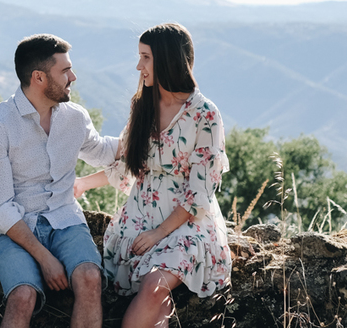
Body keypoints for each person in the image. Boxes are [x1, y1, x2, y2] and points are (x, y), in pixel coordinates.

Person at [74, 23, 231, 328]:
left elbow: (200, 192)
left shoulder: (205, 114)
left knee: (153, 287)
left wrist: (159, 234)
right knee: (157, 301)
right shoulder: (143, 106)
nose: (138, 66)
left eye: (145, 57)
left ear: (167, 59)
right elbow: (130, 165)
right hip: (138, 218)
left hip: (186, 223)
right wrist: (82, 184)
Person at [0, 33, 121, 328]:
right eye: (65, 71)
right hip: (14, 227)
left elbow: (105, 151)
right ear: (39, 77)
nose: (73, 77)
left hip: (65, 218)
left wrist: (154, 132)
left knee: (91, 278)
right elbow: (1, 208)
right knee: (23, 296)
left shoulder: (75, 118)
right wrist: (44, 258)